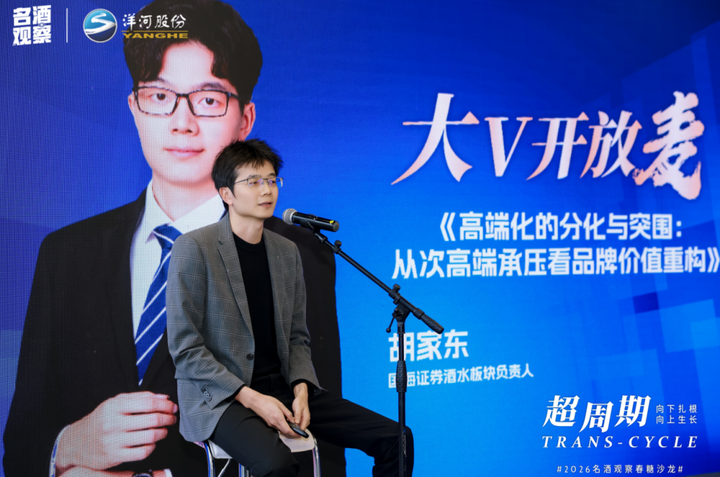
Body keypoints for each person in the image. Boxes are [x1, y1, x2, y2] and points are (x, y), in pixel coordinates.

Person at [4, 1, 344, 476]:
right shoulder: (66, 253)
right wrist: (66, 447)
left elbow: (318, 442)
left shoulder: (297, 254)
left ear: (245, 120)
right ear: (134, 107)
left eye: (208, 99)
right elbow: (22, 443)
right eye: (160, 95)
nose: (182, 122)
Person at [167, 139, 413, 477]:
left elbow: (297, 336)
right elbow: (186, 348)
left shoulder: (286, 251)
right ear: (226, 194)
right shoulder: (194, 247)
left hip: (282, 388)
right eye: (253, 181)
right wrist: (252, 398)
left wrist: (301, 388)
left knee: (396, 439)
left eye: (271, 180)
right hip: (221, 397)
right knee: (276, 464)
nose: (266, 189)